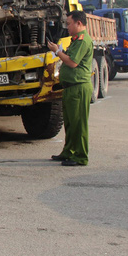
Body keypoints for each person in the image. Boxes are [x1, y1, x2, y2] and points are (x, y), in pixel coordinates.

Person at [47, 11, 94, 166]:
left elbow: (73, 62)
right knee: (70, 123)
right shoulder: (76, 40)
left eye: (69, 23)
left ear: (78, 23)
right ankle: (69, 151)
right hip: (70, 87)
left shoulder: (82, 40)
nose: (67, 27)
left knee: (79, 124)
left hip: (78, 87)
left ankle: (80, 156)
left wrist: (57, 51)